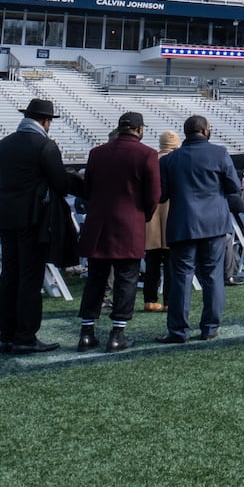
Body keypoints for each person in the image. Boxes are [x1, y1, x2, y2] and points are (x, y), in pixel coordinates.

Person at [0, 98, 79, 354]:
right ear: (46, 121)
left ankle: (6, 334)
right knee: (30, 277)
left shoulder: (4, 145)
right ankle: (25, 335)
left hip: (5, 215)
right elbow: (61, 185)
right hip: (32, 218)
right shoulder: (45, 145)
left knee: (10, 274)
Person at [75, 112, 161, 353]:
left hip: (98, 223)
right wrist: (142, 214)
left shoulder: (97, 153)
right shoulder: (147, 154)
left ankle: (86, 332)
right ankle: (117, 333)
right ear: (139, 129)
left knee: (95, 279)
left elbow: (88, 189)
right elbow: (153, 195)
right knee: (126, 279)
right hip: (129, 223)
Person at [157, 114, 240, 344]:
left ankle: (178, 331)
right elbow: (233, 187)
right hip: (214, 224)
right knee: (213, 276)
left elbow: (162, 196)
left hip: (183, 224)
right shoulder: (220, 153)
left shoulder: (169, 160)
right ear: (205, 131)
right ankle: (210, 328)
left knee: (181, 278)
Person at [142, 131, 179, 313]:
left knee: (152, 263)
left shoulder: (150, 160)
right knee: (172, 263)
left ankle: (150, 300)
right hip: (174, 215)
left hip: (151, 217)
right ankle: (169, 302)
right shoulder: (179, 161)